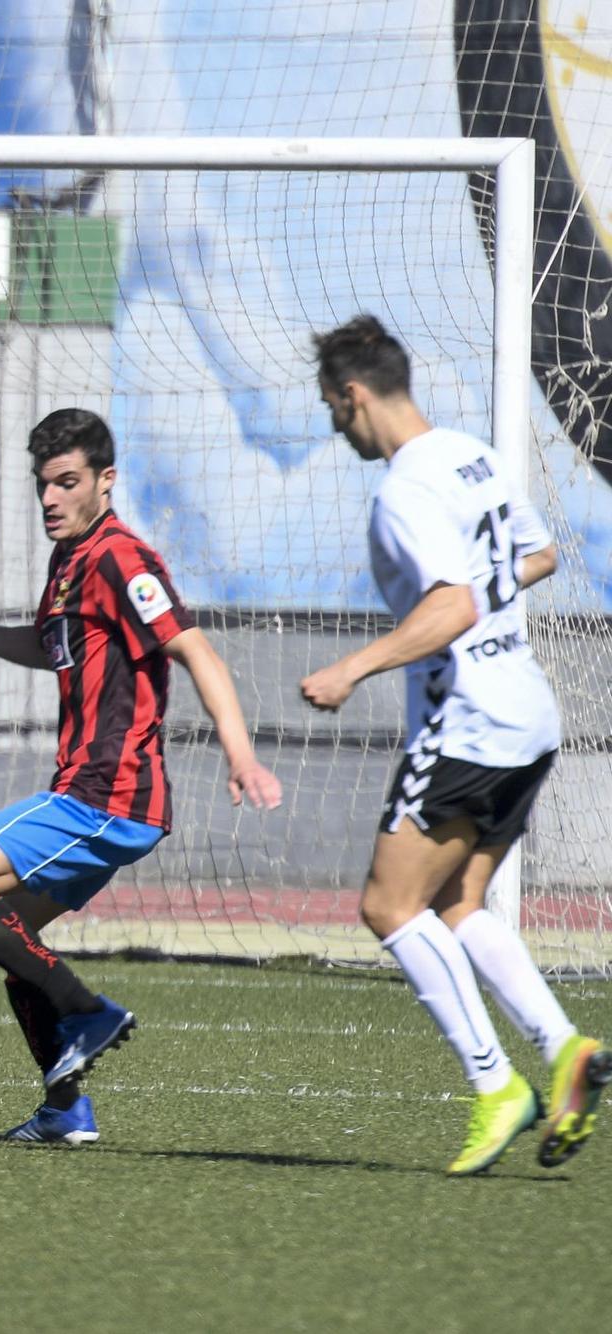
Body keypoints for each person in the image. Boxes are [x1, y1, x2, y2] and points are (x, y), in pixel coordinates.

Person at [0, 407, 282, 1146]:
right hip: (100, 799)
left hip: (106, 795)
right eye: (44, 485)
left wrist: (241, 754)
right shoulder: (71, 558)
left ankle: (90, 1011)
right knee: (16, 949)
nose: (51, 499)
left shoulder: (121, 559)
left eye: (68, 482)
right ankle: (65, 1111)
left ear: (107, 480)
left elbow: (200, 654)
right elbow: (46, 647)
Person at [300, 315, 609, 1175]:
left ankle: (495, 1086)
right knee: (458, 904)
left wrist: (352, 669)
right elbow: (540, 555)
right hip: (527, 716)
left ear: (355, 396)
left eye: (332, 407)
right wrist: (475, 595)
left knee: (389, 908)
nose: (335, 424)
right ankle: (564, 1048)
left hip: (464, 724)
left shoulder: (403, 490)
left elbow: (450, 609)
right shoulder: (471, 453)